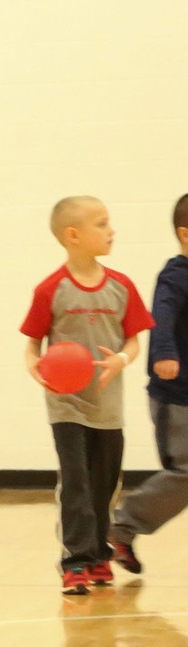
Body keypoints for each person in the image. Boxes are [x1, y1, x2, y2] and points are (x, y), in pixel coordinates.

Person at [20, 196, 153, 595]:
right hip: (66, 406)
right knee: (75, 483)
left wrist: (121, 362)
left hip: (107, 408)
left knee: (104, 485)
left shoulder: (121, 286)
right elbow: (32, 347)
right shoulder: (50, 289)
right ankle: (74, 562)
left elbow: (133, 342)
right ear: (73, 236)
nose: (111, 230)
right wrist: (34, 366)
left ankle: (98, 555)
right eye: (102, 223)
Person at [109, 193, 188, 575]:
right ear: (185, 236)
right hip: (178, 397)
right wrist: (164, 354)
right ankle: (120, 528)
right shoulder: (175, 275)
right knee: (186, 472)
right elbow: (162, 316)